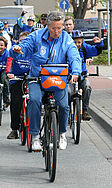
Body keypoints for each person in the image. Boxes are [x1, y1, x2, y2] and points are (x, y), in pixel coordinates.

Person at [12, 11, 81, 151]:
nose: (57, 31)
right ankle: (35, 136)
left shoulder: (66, 39)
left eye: (59, 28)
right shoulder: (36, 36)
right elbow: (24, 46)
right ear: (47, 26)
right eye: (53, 28)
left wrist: (75, 72)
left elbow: (74, 56)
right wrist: (18, 49)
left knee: (63, 105)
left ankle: (62, 134)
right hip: (37, 78)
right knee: (35, 101)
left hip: (57, 78)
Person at [71, 30, 104, 121]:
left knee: (87, 87)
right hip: (70, 76)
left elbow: (96, 50)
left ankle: (85, 110)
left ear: (82, 41)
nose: (77, 44)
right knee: (67, 92)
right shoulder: (67, 49)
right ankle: (66, 111)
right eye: (75, 42)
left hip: (82, 75)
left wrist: (99, 43)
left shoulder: (85, 48)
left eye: (79, 42)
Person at [6, 31, 31, 139]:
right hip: (17, 79)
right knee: (15, 103)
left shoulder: (33, 52)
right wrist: (8, 73)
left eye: (25, 41)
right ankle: (14, 129)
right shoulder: (14, 52)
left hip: (30, 79)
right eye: (21, 41)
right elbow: (9, 62)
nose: (23, 44)